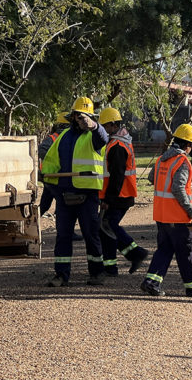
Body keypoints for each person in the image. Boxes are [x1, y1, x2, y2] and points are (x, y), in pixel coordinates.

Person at [41, 97, 109, 287]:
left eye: (84, 117)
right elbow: (51, 162)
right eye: (78, 116)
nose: (80, 120)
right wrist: (51, 183)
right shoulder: (63, 137)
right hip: (64, 195)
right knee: (63, 235)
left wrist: (94, 125)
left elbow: (104, 138)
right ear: (72, 117)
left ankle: (97, 273)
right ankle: (61, 275)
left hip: (87, 196)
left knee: (90, 234)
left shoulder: (94, 136)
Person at [141, 124, 192, 298]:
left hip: (161, 215)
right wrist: (191, 212)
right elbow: (178, 189)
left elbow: (152, 178)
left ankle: (151, 282)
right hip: (178, 217)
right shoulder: (182, 162)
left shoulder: (161, 159)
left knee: (164, 250)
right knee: (186, 251)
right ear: (187, 144)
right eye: (190, 146)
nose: (190, 150)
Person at [98, 107, 149, 276]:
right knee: (106, 229)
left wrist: (107, 199)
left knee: (108, 226)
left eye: (105, 126)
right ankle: (112, 267)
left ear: (113, 125)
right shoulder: (119, 141)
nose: (103, 129)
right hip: (122, 194)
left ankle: (136, 254)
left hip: (119, 196)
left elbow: (117, 177)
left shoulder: (117, 145)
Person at [38, 111, 70, 217]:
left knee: (46, 200)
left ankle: (34, 219)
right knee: (60, 200)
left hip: (50, 175)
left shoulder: (53, 138)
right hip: (58, 176)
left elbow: (41, 150)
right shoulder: (66, 137)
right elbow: (42, 150)